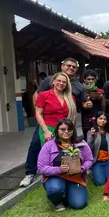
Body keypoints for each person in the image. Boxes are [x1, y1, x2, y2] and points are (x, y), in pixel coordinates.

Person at [21, 58, 90, 187]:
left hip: (65, 125)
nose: (71, 68)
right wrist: (41, 118)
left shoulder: (78, 86)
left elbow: (82, 103)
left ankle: (64, 172)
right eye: (68, 65)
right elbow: (37, 95)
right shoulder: (50, 79)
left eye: (74, 67)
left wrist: (88, 103)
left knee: (63, 149)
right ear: (62, 66)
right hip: (47, 123)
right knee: (36, 145)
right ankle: (30, 173)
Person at [37, 119, 93, 211]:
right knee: (55, 189)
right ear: (57, 130)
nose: (66, 131)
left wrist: (82, 168)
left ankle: (70, 193)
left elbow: (89, 159)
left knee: (79, 204)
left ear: (73, 130)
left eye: (69, 129)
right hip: (56, 177)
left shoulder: (81, 143)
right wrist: (59, 169)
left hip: (75, 177)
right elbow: (41, 167)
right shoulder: (49, 145)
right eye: (63, 129)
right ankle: (58, 201)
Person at [33, 72, 77, 147]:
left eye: (64, 82)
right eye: (59, 81)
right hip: (49, 129)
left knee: (65, 154)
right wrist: (46, 131)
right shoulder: (43, 95)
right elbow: (38, 114)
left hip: (65, 130)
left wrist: (70, 131)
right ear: (53, 81)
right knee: (50, 154)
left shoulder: (70, 98)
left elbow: (73, 116)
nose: (61, 83)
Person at [87, 112, 109, 186]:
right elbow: (88, 148)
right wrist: (92, 137)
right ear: (96, 119)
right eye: (100, 118)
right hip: (97, 161)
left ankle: (104, 171)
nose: (102, 121)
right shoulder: (90, 132)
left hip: (108, 160)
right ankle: (94, 171)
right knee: (100, 182)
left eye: (104, 119)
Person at [81, 69, 105, 138]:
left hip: (98, 120)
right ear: (84, 80)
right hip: (86, 120)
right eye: (88, 79)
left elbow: (103, 108)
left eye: (93, 79)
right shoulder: (81, 91)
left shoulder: (100, 91)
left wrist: (102, 98)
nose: (91, 81)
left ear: (96, 80)